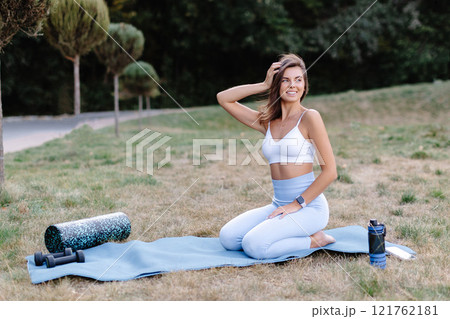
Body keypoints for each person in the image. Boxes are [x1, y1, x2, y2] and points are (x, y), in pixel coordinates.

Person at [216, 53, 337, 259]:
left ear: (304, 86)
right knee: (228, 238)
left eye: (298, 80)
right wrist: (264, 84)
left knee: (253, 245)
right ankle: (295, 232)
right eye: (285, 80)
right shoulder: (267, 122)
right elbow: (224, 98)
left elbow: (331, 172)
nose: (293, 85)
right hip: (279, 204)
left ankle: (316, 240)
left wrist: (296, 204)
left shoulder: (310, 117)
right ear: (277, 85)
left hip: (309, 207)